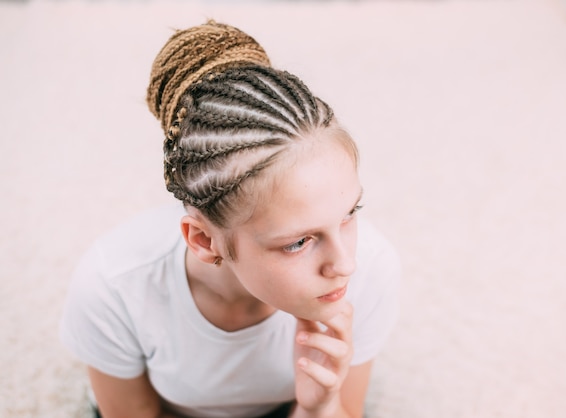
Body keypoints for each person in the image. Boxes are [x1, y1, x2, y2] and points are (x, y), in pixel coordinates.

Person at [60, 20, 400, 418]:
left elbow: (349, 410)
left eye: (349, 214)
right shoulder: (114, 287)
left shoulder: (373, 270)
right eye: (298, 242)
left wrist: (319, 408)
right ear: (204, 242)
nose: (345, 264)